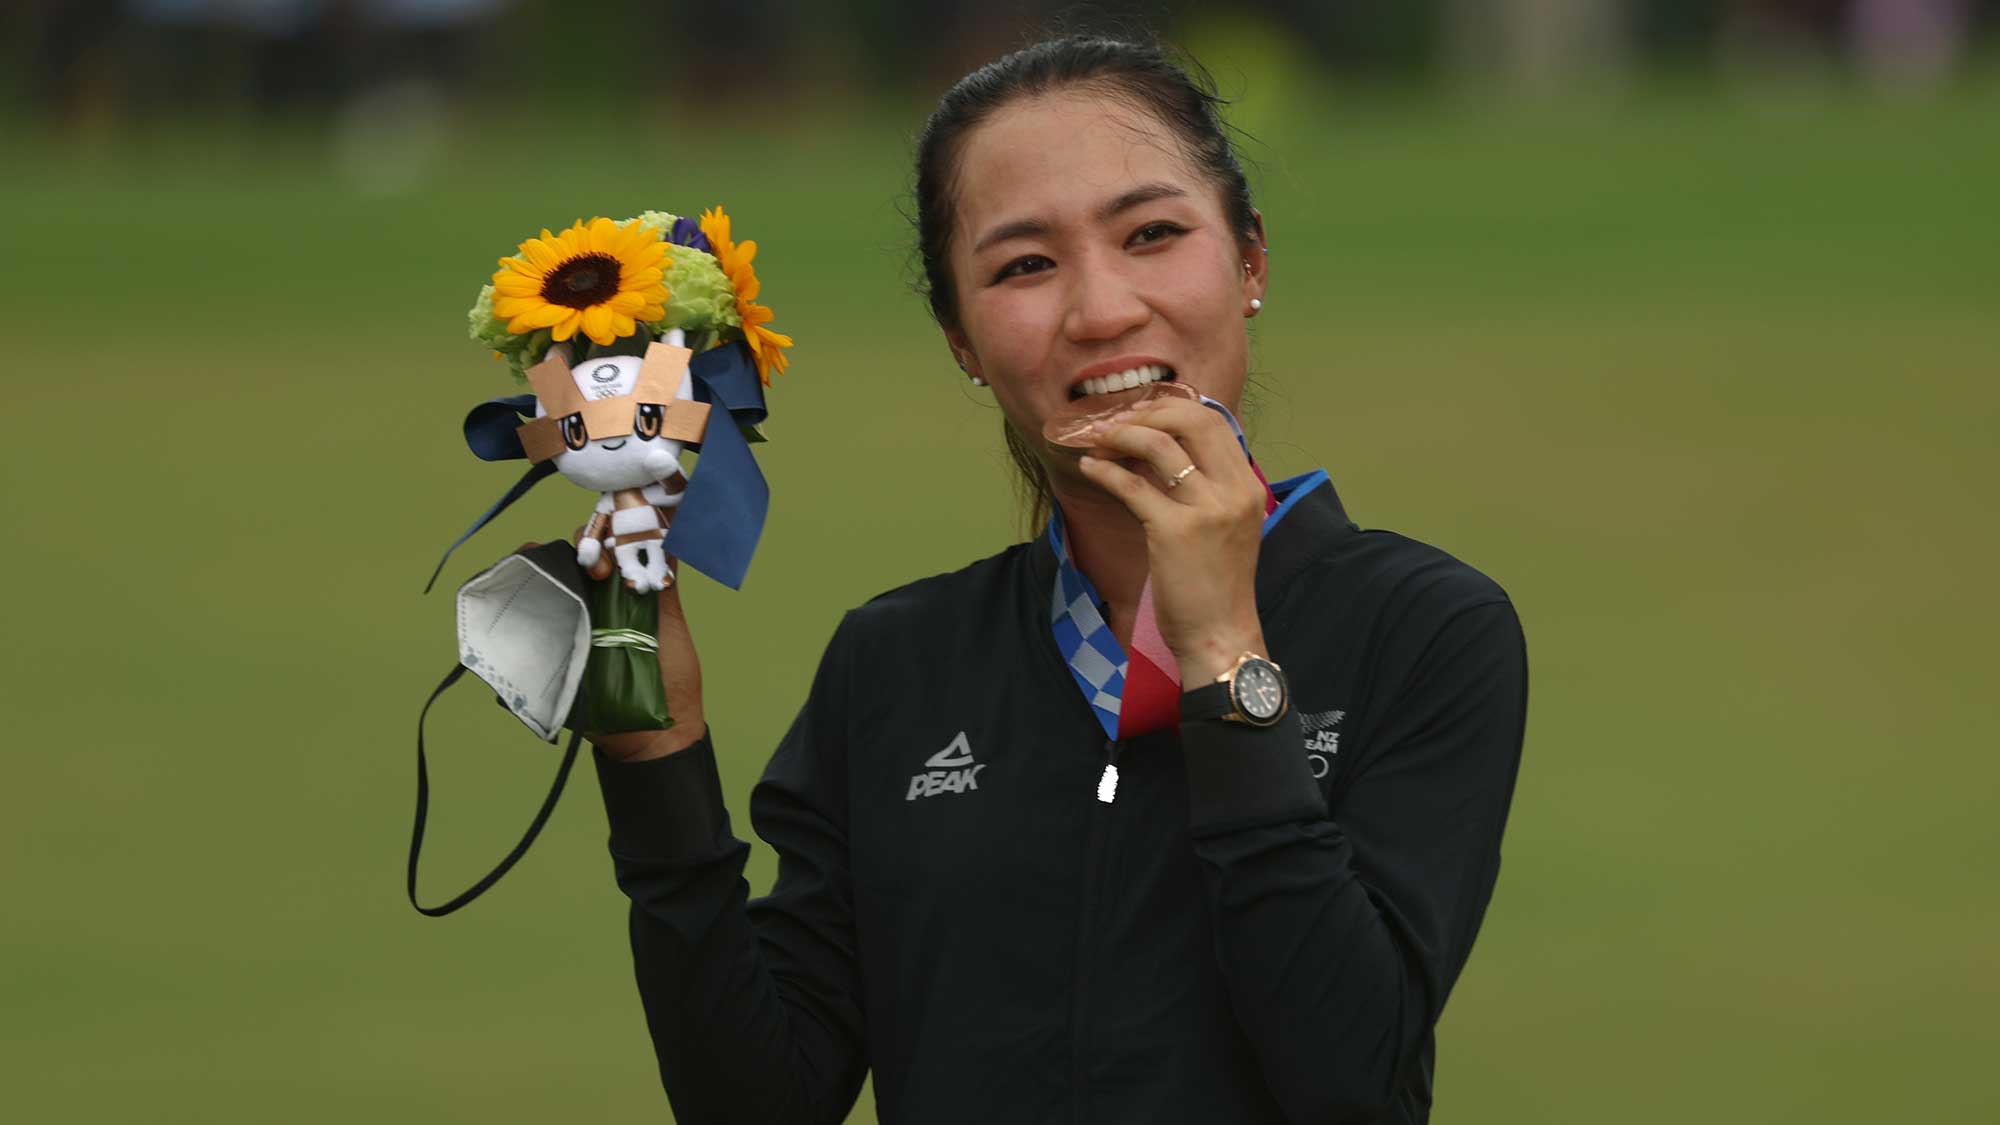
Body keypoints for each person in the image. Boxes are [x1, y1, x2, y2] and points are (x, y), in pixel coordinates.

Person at [584, 35, 1528, 1125]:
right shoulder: (895, 663)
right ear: (962, 339)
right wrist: (655, 750)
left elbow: (1348, 1083)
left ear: (1250, 261)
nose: (1100, 310)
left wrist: (1225, 652)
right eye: (1023, 265)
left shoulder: (1424, 629)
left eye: (1152, 234)